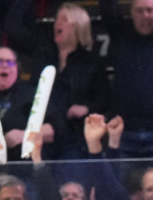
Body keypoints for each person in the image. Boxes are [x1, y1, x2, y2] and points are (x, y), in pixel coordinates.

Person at [99, 0, 153, 157]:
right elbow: (107, 8)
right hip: (124, 131)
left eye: (149, 10)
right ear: (131, 13)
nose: (145, 15)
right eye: (139, 11)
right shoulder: (121, 36)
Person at [39, 2, 112, 160]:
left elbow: (105, 99)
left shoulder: (91, 62)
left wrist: (86, 108)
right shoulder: (45, 59)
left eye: (64, 19)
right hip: (44, 135)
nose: (58, 23)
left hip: (74, 138)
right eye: (57, 19)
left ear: (78, 26)